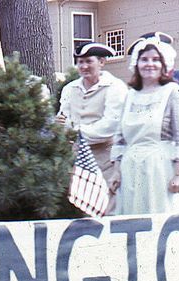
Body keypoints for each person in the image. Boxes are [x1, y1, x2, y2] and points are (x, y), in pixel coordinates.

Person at [110, 37, 179, 214]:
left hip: (161, 169)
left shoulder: (172, 92)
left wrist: (178, 174)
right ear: (136, 64)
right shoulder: (130, 96)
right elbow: (120, 138)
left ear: (164, 65)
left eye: (155, 60)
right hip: (131, 168)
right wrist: (116, 172)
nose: (149, 64)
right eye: (144, 59)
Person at [56, 42, 128, 214]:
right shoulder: (69, 89)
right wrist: (60, 125)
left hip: (106, 160)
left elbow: (110, 126)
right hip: (76, 161)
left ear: (101, 62)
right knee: (78, 207)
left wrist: (74, 130)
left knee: (107, 207)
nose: (83, 66)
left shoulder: (115, 88)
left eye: (89, 61)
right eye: (80, 62)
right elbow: (62, 119)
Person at [127, 32, 179, 177]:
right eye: (144, 58)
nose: (150, 63)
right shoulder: (136, 92)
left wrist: (159, 134)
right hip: (144, 162)